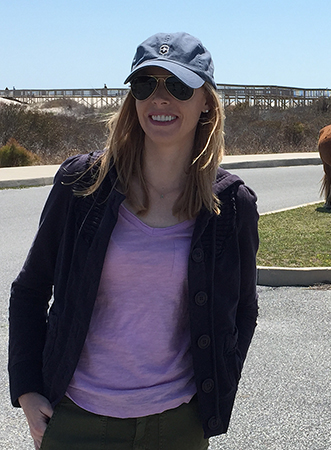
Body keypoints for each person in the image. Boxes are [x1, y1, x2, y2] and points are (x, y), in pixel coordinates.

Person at [8, 32, 259, 450]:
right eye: (146, 85)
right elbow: (30, 289)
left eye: (178, 86)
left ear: (206, 104)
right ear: (133, 100)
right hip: (75, 419)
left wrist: (216, 392)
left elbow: (243, 312)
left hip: (178, 425)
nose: (160, 99)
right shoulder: (82, 185)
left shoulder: (231, 207)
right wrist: (27, 389)